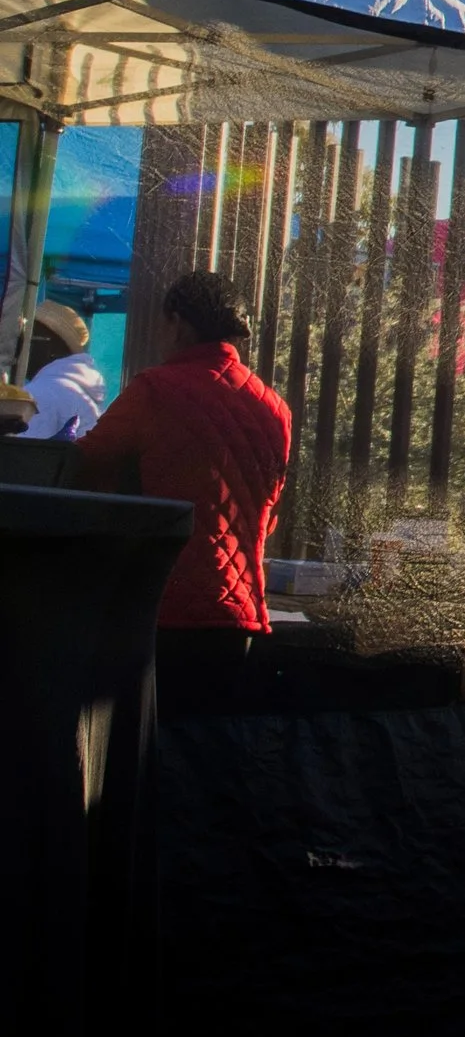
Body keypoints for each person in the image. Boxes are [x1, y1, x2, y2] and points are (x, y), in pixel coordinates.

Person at [75, 268, 293, 711]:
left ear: (178, 322)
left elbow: (87, 466)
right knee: (208, 759)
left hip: (162, 611)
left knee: (149, 760)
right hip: (241, 618)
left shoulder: (155, 390)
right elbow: (268, 520)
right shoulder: (275, 408)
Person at [6, 301, 111, 442]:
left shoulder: (42, 393)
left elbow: (24, 457)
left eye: (28, 340)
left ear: (52, 346)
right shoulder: (77, 390)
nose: (20, 348)